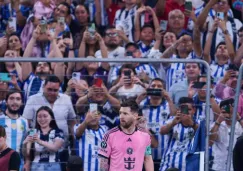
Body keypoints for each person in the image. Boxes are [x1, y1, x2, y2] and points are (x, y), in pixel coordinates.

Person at [98, 99, 154, 171]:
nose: (121, 116)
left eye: (125, 113)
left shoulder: (145, 136)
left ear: (135, 116)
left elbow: (148, 159)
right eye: (120, 113)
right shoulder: (109, 135)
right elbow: (103, 162)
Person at [137, 78, 175, 170]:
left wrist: (169, 99)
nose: (156, 88)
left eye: (159, 86)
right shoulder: (141, 105)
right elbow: (129, 112)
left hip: (163, 156)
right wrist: (139, 98)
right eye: (153, 86)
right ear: (148, 88)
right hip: (144, 156)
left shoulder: (168, 105)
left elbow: (175, 117)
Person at [160, 97, 199, 171]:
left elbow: (204, 135)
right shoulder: (172, 120)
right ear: (178, 110)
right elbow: (162, 131)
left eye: (189, 110)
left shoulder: (198, 122)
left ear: (194, 110)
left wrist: (192, 124)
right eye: (183, 109)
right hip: (169, 164)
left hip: (190, 167)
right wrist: (173, 123)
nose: (186, 112)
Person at [23, 106, 64, 171]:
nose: (42, 119)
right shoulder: (32, 132)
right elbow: (27, 153)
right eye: (39, 116)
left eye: (45, 116)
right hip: (36, 166)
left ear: (51, 117)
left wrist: (39, 141)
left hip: (53, 165)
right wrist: (25, 144)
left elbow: (55, 148)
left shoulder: (58, 132)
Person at [209, 98, 243, 171]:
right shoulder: (216, 125)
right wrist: (218, 121)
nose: (228, 114)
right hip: (219, 167)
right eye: (224, 111)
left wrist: (238, 118)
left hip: (236, 167)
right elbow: (210, 141)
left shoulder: (240, 124)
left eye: (230, 111)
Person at [0, 89, 28, 164]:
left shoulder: (24, 121)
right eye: (11, 98)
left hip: (19, 164)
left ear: (21, 103)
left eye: (18, 99)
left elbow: (26, 145)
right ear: (6, 102)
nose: (15, 101)